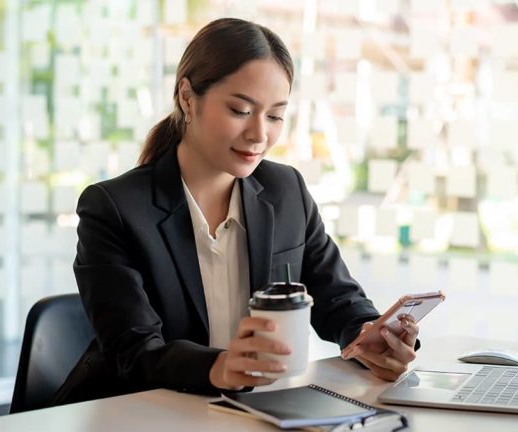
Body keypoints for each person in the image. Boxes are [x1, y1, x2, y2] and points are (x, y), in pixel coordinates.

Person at [52, 17, 419, 405]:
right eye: (241, 110)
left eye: (275, 115)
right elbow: (133, 350)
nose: (260, 134)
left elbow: (337, 298)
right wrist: (219, 367)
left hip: (250, 410)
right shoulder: (114, 208)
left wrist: (372, 338)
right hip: (140, 411)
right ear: (188, 98)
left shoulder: (285, 191)